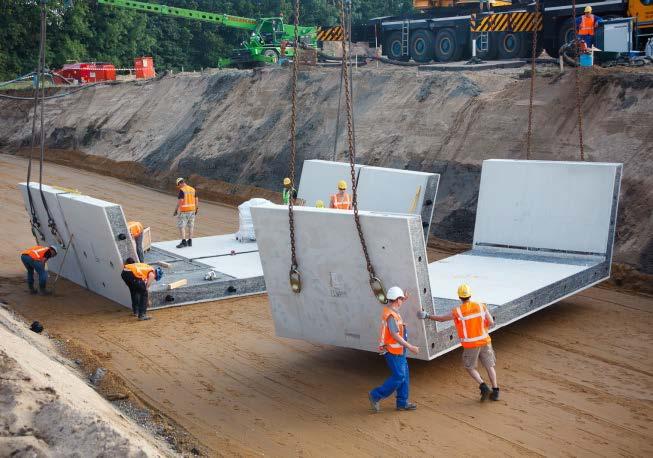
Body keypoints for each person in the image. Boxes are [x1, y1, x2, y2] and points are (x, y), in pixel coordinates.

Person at [418, 284, 500, 401]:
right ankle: (495, 391)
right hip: (485, 341)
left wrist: (427, 316)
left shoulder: (458, 311)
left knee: (470, 367)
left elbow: (441, 319)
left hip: (471, 345)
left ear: (460, 297)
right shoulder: (481, 306)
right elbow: (491, 322)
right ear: (470, 295)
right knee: (490, 366)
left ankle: (483, 386)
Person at [368, 286, 420, 412]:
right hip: (393, 351)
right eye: (401, 299)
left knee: (404, 376)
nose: (402, 301)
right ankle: (375, 395)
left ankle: (402, 403)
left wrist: (404, 298)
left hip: (399, 351)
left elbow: (395, 306)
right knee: (399, 376)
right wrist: (410, 346)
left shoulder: (392, 309)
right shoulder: (391, 316)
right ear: (397, 300)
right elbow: (395, 335)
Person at [173, 177, 198, 249]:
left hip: (184, 211)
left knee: (181, 226)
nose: (179, 187)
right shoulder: (192, 189)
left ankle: (183, 242)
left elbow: (180, 201)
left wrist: (176, 210)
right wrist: (196, 208)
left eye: (178, 185)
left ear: (180, 183)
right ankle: (190, 241)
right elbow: (196, 199)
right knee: (191, 226)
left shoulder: (182, 190)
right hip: (192, 210)